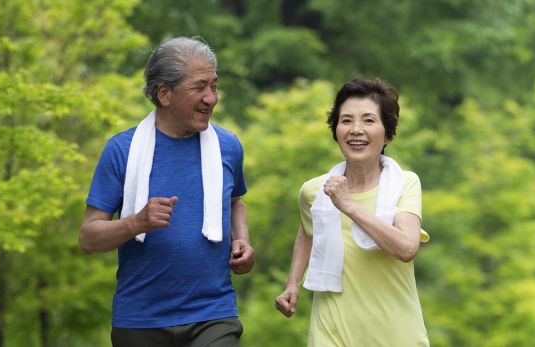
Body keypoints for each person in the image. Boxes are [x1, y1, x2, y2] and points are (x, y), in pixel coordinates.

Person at [79, 37, 254, 347]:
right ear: (164, 93)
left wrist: (242, 240)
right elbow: (89, 238)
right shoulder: (121, 150)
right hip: (140, 321)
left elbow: (235, 201)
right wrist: (136, 222)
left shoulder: (228, 147)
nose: (211, 98)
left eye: (214, 86)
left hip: (212, 315)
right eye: (199, 87)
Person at [274, 78, 430, 346]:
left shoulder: (405, 183)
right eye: (346, 121)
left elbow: (406, 247)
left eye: (368, 121)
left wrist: (349, 205)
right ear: (335, 130)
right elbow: (307, 232)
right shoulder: (315, 192)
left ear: (388, 133)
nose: (356, 130)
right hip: (330, 331)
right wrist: (292, 283)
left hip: (396, 334)